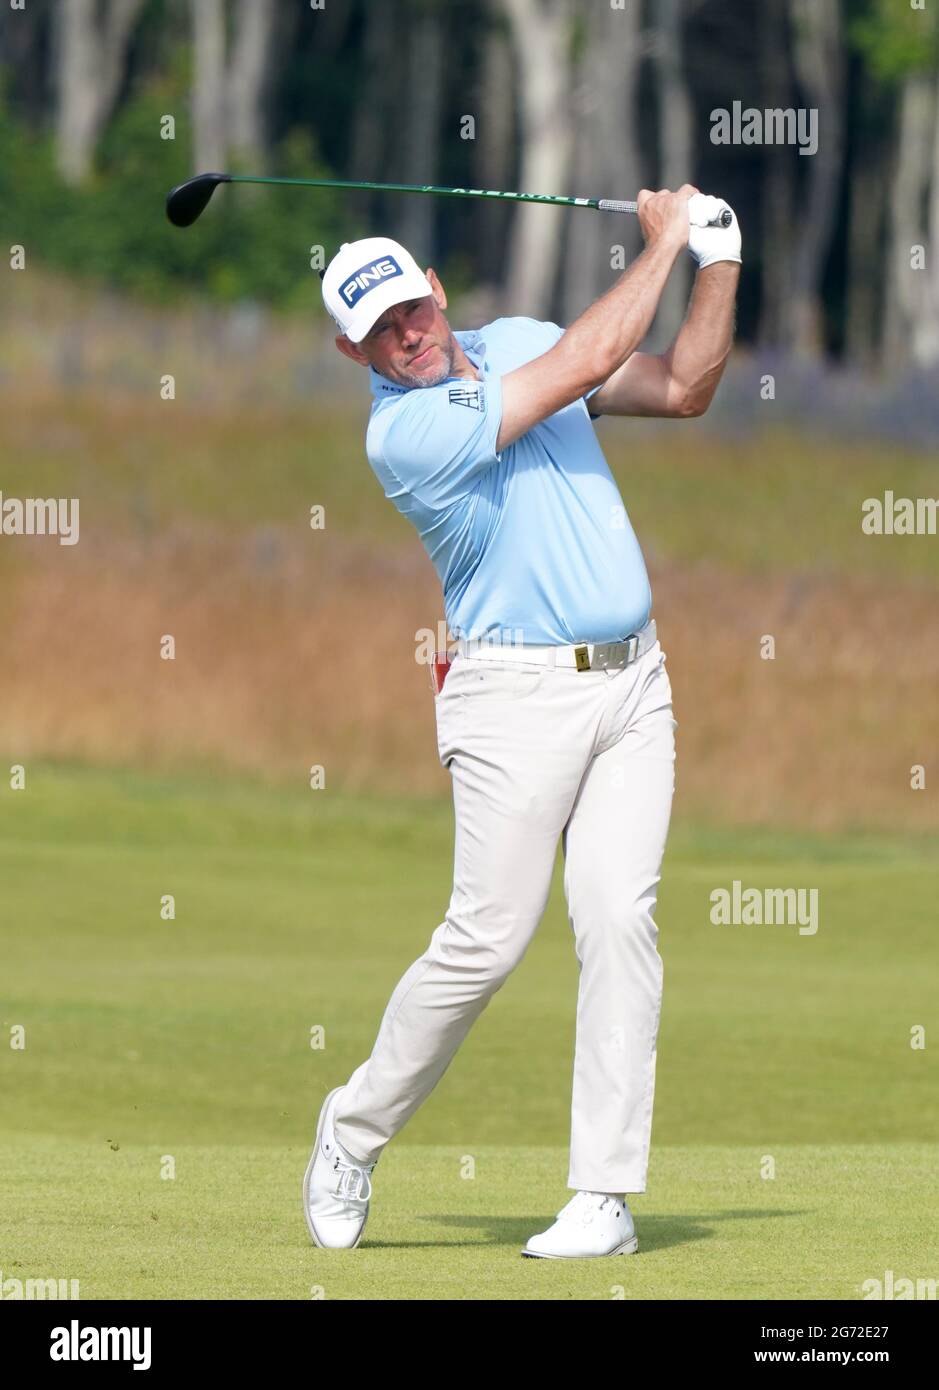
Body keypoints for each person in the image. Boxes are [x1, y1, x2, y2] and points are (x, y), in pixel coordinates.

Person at [303, 185, 741, 1258]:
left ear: (435, 291)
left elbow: (683, 387)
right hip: (513, 699)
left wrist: (722, 257)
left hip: (635, 685)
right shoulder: (407, 434)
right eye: (378, 333)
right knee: (487, 940)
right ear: (355, 355)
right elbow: (590, 363)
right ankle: (351, 1134)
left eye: (409, 309)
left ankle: (603, 1195)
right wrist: (667, 242)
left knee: (617, 915)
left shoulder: (522, 340)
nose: (406, 336)